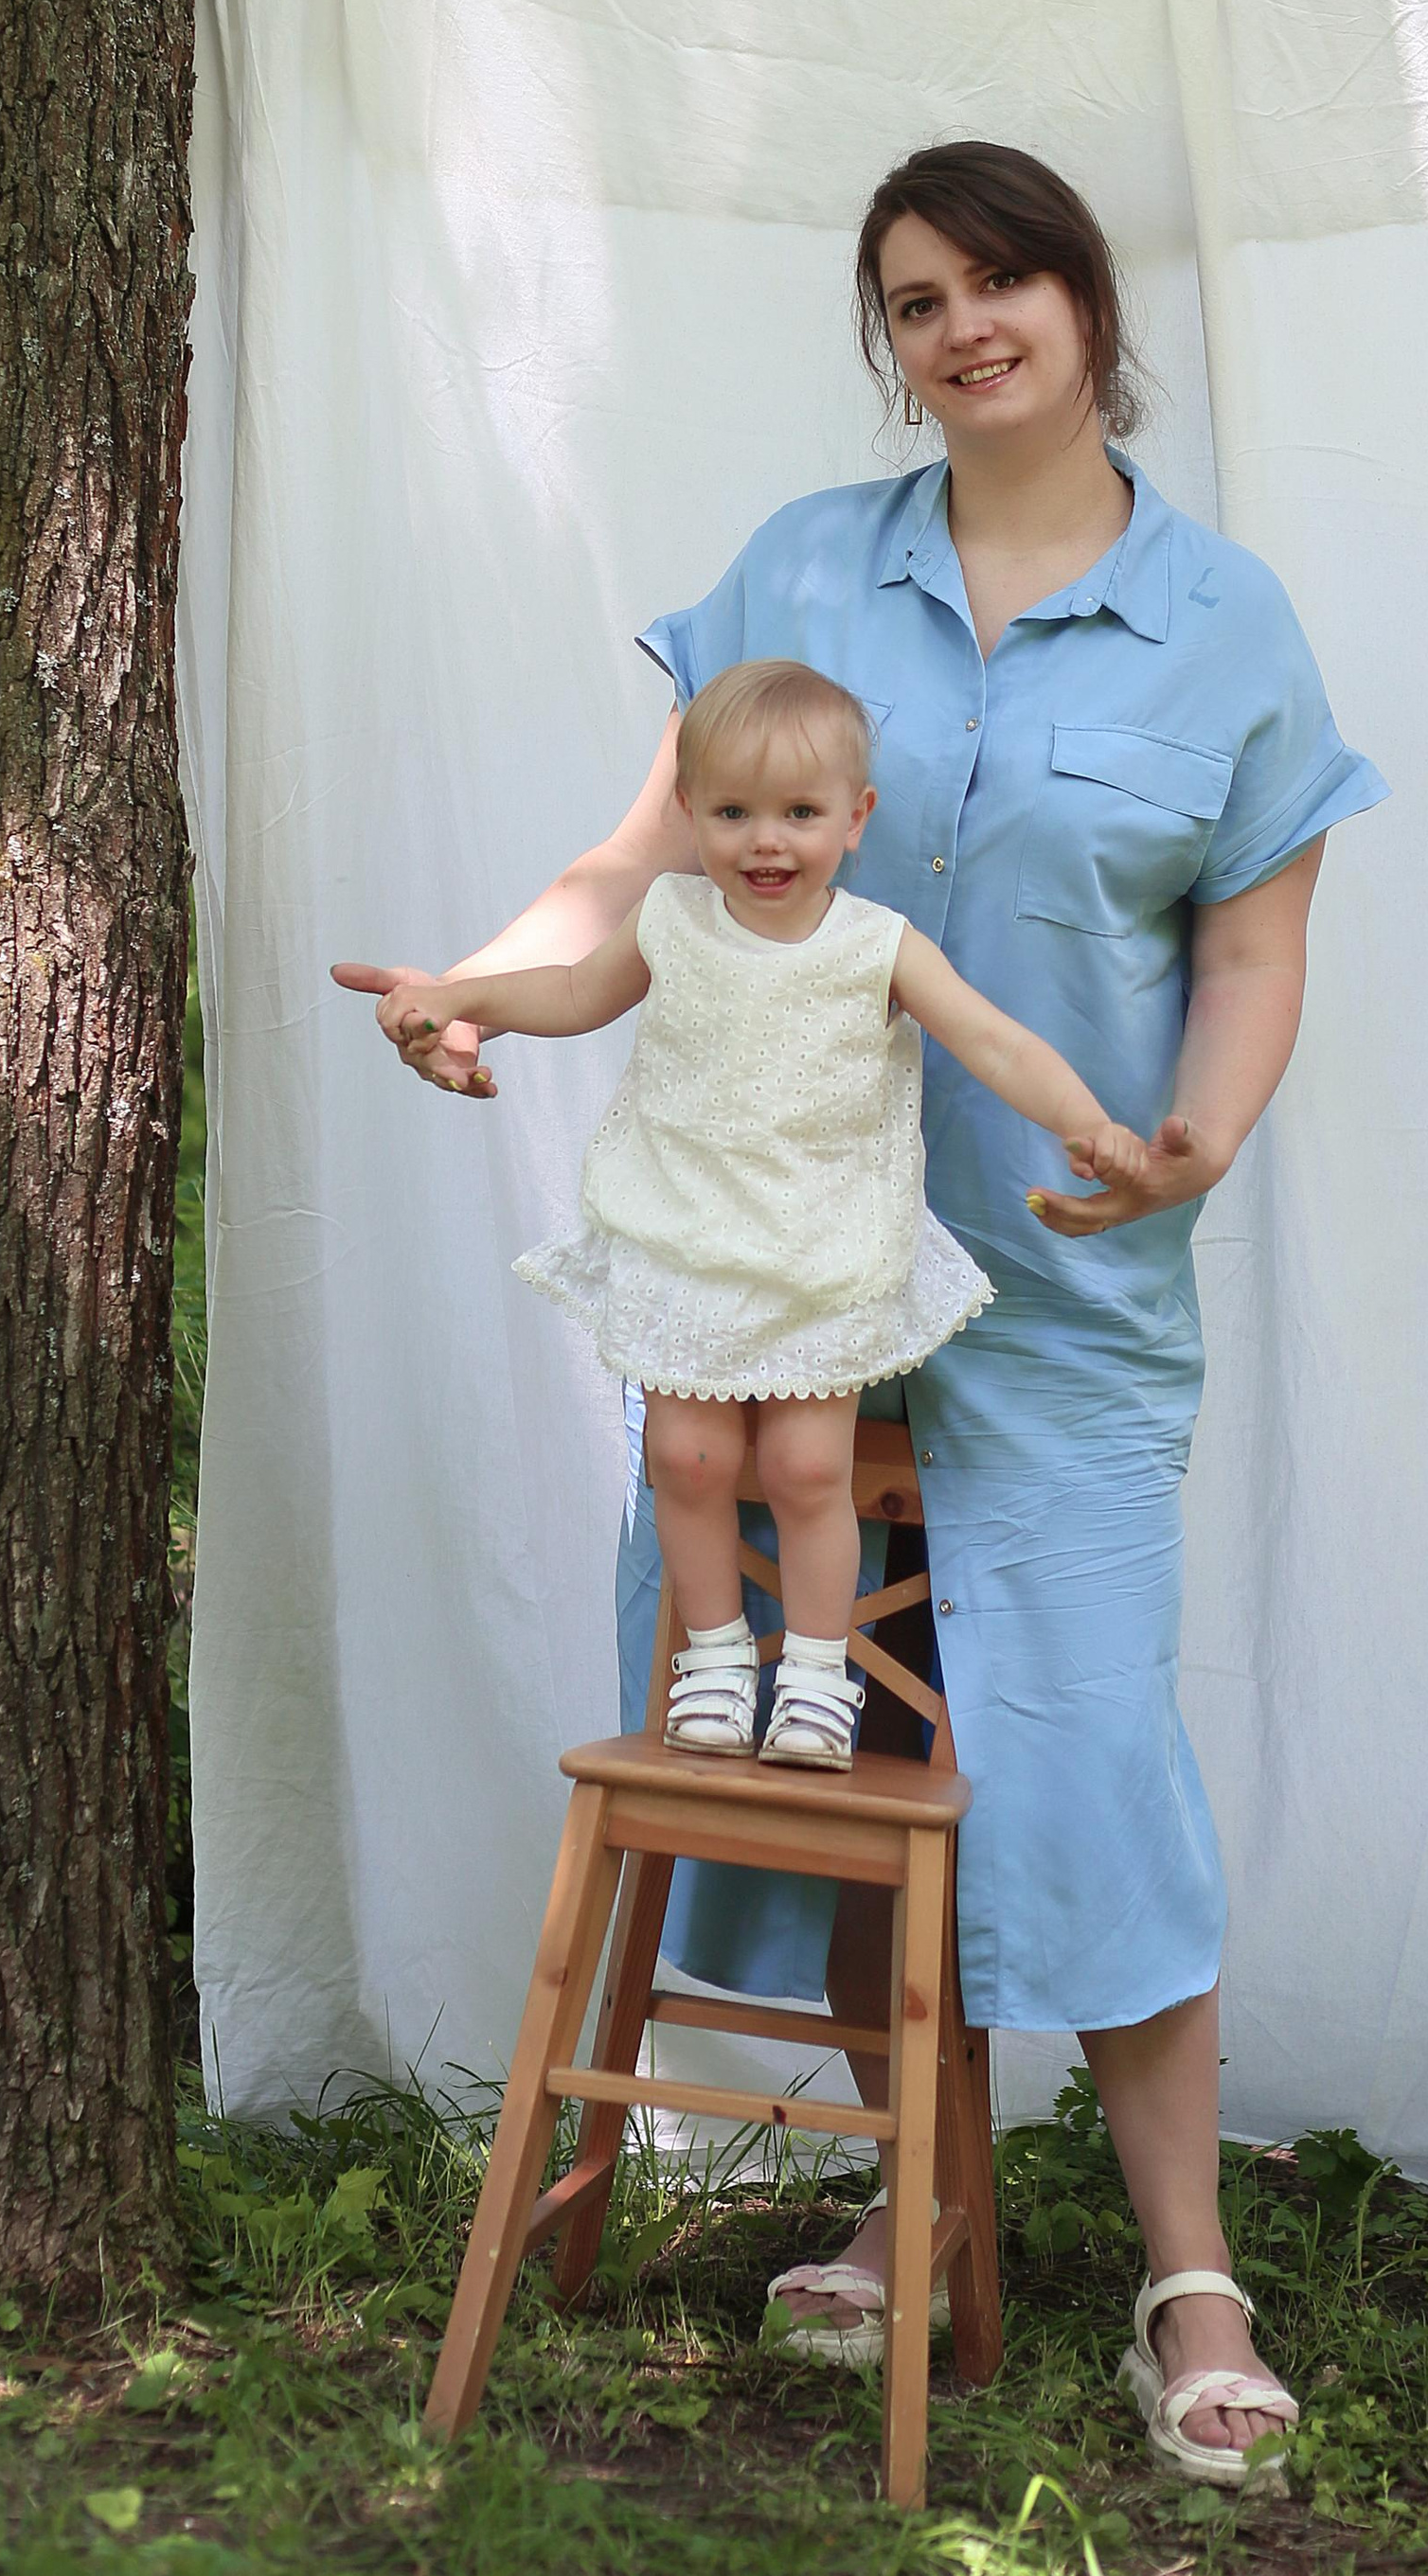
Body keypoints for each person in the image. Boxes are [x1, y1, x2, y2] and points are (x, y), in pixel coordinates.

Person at [336, 138, 1385, 2485]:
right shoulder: (802, 569)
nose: (961, 326)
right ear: (886, 343)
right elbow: (632, 871)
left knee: (1085, 1753)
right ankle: (910, 2200)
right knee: (819, 1749)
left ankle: (1187, 2277)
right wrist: (473, 986)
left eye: (1001, 281)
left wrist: (1195, 1137)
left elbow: (1249, 946)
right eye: (915, 299)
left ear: (1086, 305)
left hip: (1061, 1291)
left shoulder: (1226, 624)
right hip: (757, 1291)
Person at [375, 655, 1147, 1768]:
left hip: (821, 1249)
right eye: (733, 813)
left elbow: (991, 1040)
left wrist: (1086, 1125)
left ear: (855, 817)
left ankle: (819, 1675)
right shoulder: (672, 917)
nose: (764, 841)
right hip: (685, 1231)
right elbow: (573, 992)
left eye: (798, 813)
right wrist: (457, 997)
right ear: (689, 813)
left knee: (803, 1470)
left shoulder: (875, 945)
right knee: (686, 1459)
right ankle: (717, 1657)